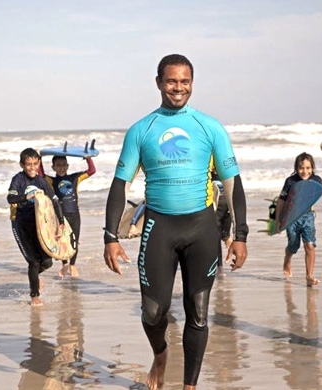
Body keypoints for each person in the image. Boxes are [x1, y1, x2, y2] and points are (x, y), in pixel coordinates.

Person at [103, 54, 249, 390]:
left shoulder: (209, 127)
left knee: (198, 311)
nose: (178, 88)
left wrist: (239, 236)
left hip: (201, 228)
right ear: (158, 83)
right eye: (171, 81)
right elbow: (119, 185)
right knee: (154, 311)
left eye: (184, 81)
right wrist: (110, 237)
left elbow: (232, 184)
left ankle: (189, 386)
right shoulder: (142, 130)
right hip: (159, 228)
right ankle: (161, 353)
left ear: (192, 83)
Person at [276, 152, 322, 286]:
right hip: (291, 217)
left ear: (312, 168)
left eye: (308, 168)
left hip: (308, 216)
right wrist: (279, 220)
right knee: (293, 245)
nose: (305, 171)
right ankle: (288, 258)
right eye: (301, 168)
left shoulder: (316, 180)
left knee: (309, 245)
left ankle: (309, 276)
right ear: (296, 168)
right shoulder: (291, 181)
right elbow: (281, 201)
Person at [7, 148, 65, 306]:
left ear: (39, 163)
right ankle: (35, 295)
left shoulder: (41, 181)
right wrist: (26, 196)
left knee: (47, 262)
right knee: (33, 262)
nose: (32, 168)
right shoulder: (18, 180)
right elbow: (10, 198)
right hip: (20, 224)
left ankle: (34, 278)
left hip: (38, 225)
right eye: (28, 164)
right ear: (22, 165)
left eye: (35, 164)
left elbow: (54, 201)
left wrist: (60, 223)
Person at [45, 155, 96, 278]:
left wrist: (88, 158)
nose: (61, 168)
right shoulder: (52, 181)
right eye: (58, 165)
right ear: (53, 167)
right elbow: (40, 174)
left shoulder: (75, 178)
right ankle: (64, 264)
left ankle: (72, 265)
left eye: (64, 164)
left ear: (67, 166)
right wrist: (39, 157)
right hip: (61, 216)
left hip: (75, 214)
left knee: (74, 241)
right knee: (63, 241)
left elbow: (92, 171)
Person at [212, 172, 233, 268]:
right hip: (225, 200)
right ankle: (226, 237)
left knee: (215, 233)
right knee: (218, 232)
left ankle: (218, 266)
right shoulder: (224, 173)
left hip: (219, 200)